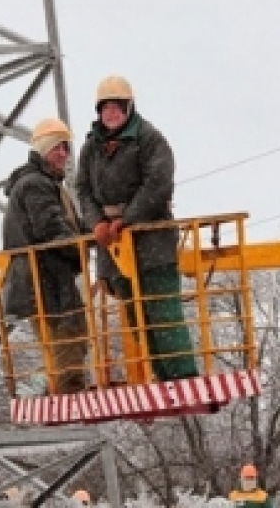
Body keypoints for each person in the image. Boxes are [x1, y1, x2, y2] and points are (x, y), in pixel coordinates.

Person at [76, 75, 198, 382]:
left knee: (162, 308)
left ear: (129, 107)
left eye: (117, 107)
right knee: (135, 313)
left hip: (152, 240)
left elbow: (158, 183)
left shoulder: (149, 139)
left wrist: (128, 219)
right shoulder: (91, 146)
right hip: (114, 247)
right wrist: (97, 223)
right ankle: (161, 373)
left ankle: (181, 375)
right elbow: (83, 189)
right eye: (106, 108)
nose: (112, 113)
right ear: (98, 111)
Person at [1, 117, 88, 395]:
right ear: (41, 150)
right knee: (66, 338)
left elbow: (64, 227)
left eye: (65, 147)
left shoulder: (42, 183)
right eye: (56, 148)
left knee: (70, 337)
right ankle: (62, 392)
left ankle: (52, 387)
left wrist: (93, 232)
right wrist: (82, 247)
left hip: (44, 277)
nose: (63, 153)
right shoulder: (36, 184)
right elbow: (51, 229)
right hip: (45, 277)